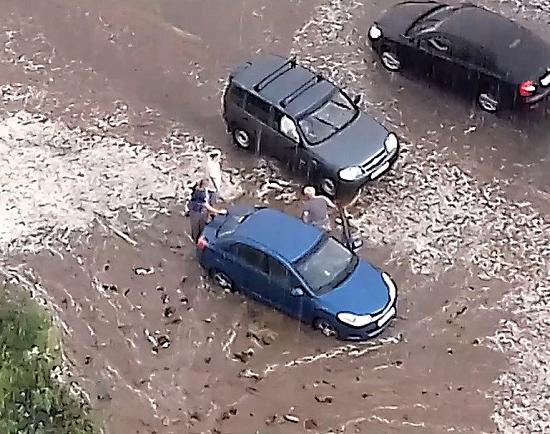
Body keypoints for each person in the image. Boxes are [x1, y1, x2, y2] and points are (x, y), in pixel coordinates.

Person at [187, 179, 226, 243]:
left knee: (201, 228)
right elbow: (206, 205)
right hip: (197, 212)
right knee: (198, 230)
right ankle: (197, 242)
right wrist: (219, 211)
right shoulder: (200, 193)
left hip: (199, 212)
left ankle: (198, 239)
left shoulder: (207, 192)